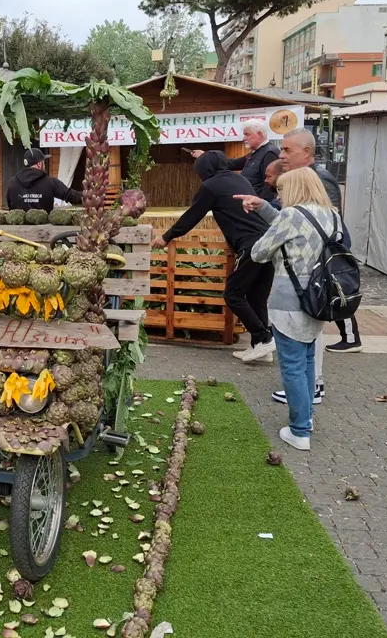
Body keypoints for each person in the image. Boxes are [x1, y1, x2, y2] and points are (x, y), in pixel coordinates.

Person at [235, 167, 344, 451]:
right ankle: (306, 418)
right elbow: (300, 229)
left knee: (293, 366)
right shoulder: (332, 215)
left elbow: (259, 252)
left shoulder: (290, 215)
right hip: (319, 298)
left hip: (288, 300)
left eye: (281, 190)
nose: (278, 195)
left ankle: (298, 431)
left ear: (294, 188)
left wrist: (271, 229)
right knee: (307, 360)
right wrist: (265, 211)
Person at [151, 151, 275, 362]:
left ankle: (264, 338)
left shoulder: (211, 186)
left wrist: (166, 237)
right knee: (256, 297)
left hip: (250, 245)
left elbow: (192, 216)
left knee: (233, 295)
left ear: (203, 170)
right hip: (268, 241)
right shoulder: (240, 178)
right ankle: (260, 347)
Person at [280, 128, 361, 354]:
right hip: (316, 251)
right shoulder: (304, 176)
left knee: (335, 291)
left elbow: (330, 215)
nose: (282, 155)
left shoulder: (320, 177)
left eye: (287, 150)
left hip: (327, 251)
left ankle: (351, 338)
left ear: (306, 152)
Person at [190, 120, 280, 197]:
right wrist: (205, 156)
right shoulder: (255, 153)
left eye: (247, 134)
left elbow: (269, 186)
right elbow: (231, 164)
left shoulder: (269, 153)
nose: (243, 138)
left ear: (259, 135)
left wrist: (259, 206)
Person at [6, 148, 82, 212]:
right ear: (39, 164)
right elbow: (73, 197)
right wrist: (90, 194)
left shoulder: (13, 182)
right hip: (45, 229)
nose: (44, 165)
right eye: (43, 162)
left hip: (18, 228)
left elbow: (10, 205)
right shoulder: (51, 182)